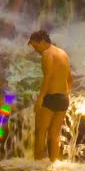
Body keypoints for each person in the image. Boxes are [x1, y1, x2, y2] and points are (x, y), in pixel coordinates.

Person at [28, 30, 71, 162]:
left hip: (50, 97)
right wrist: (67, 93)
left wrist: (40, 98)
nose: (36, 50)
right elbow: (70, 78)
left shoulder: (47, 54)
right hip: (64, 97)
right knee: (55, 134)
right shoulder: (63, 53)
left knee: (41, 132)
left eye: (36, 46)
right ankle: (54, 163)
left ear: (42, 41)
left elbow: (48, 77)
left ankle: (37, 163)